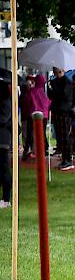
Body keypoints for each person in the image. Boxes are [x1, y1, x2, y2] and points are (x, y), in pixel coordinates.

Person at [47, 67, 74, 171]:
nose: (56, 73)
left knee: (65, 136)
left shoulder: (67, 82)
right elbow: (52, 96)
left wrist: (53, 88)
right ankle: (64, 159)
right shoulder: (54, 82)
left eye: (58, 71)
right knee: (60, 136)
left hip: (64, 112)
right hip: (57, 111)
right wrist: (50, 89)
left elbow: (63, 95)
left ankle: (68, 159)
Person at [23, 74, 51, 159]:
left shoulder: (32, 91)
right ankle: (43, 151)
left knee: (30, 133)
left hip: (33, 114)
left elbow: (27, 102)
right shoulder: (45, 92)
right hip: (44, 115)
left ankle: (27, 150)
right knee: (41, 133)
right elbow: (49, 103)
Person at [0, 75, 12, 208]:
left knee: (4, 169)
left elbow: (4, 119)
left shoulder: (6, 101)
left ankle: (6, 198)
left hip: (3, 139)